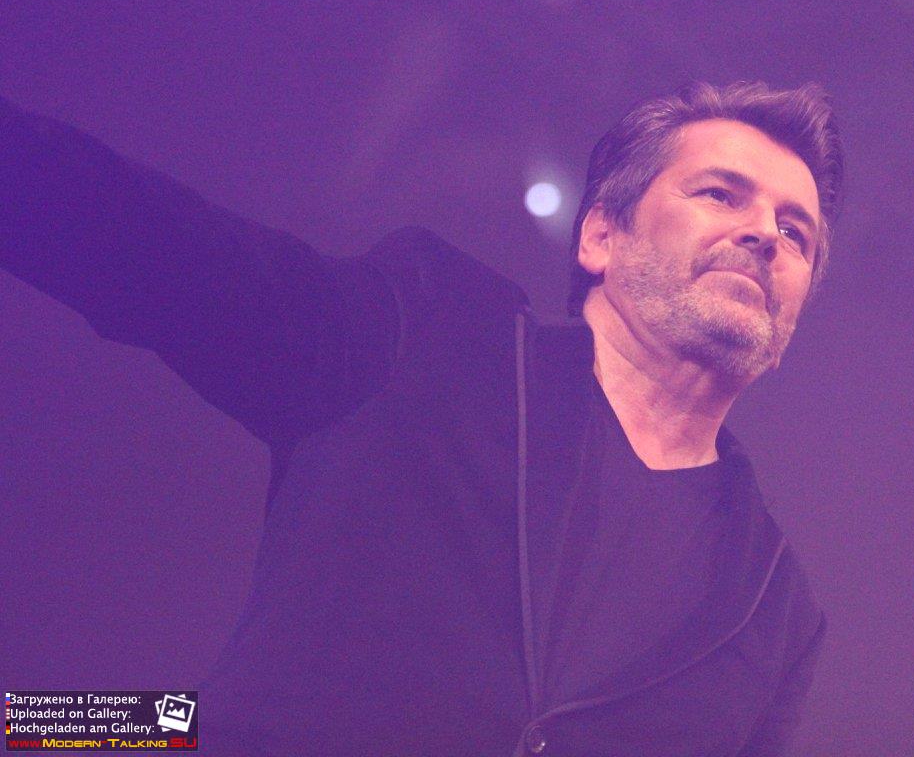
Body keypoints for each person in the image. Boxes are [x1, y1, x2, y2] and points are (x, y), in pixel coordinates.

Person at [0, 80, 842, 756]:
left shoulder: (777, 608)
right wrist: (53, 724)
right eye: (721, 194)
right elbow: (158, 247)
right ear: (600, 235)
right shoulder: (433, 334)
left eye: (796, 233)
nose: (764, 234)